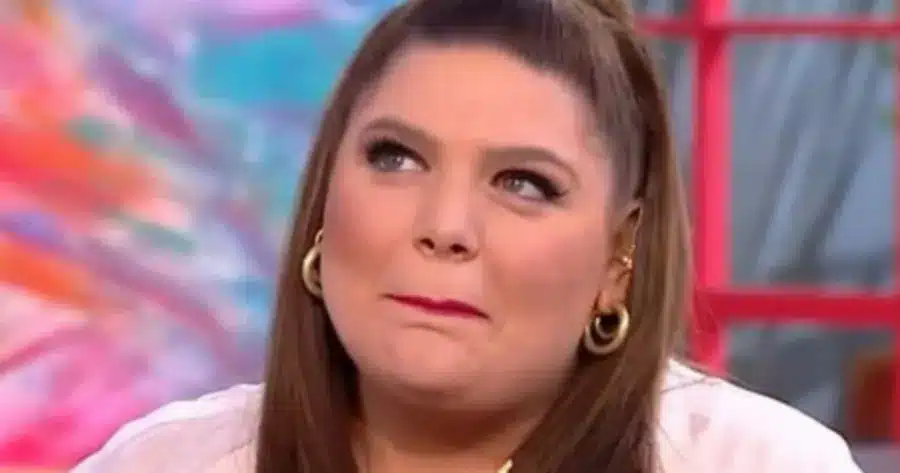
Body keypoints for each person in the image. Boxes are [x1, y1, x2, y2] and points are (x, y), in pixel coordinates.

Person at [71, 0, 865, 472]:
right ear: (322, 205)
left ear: (618, 260)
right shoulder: (166, 461)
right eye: (396, 158)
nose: (445, 227)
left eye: (524, 183)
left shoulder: (759, 463)